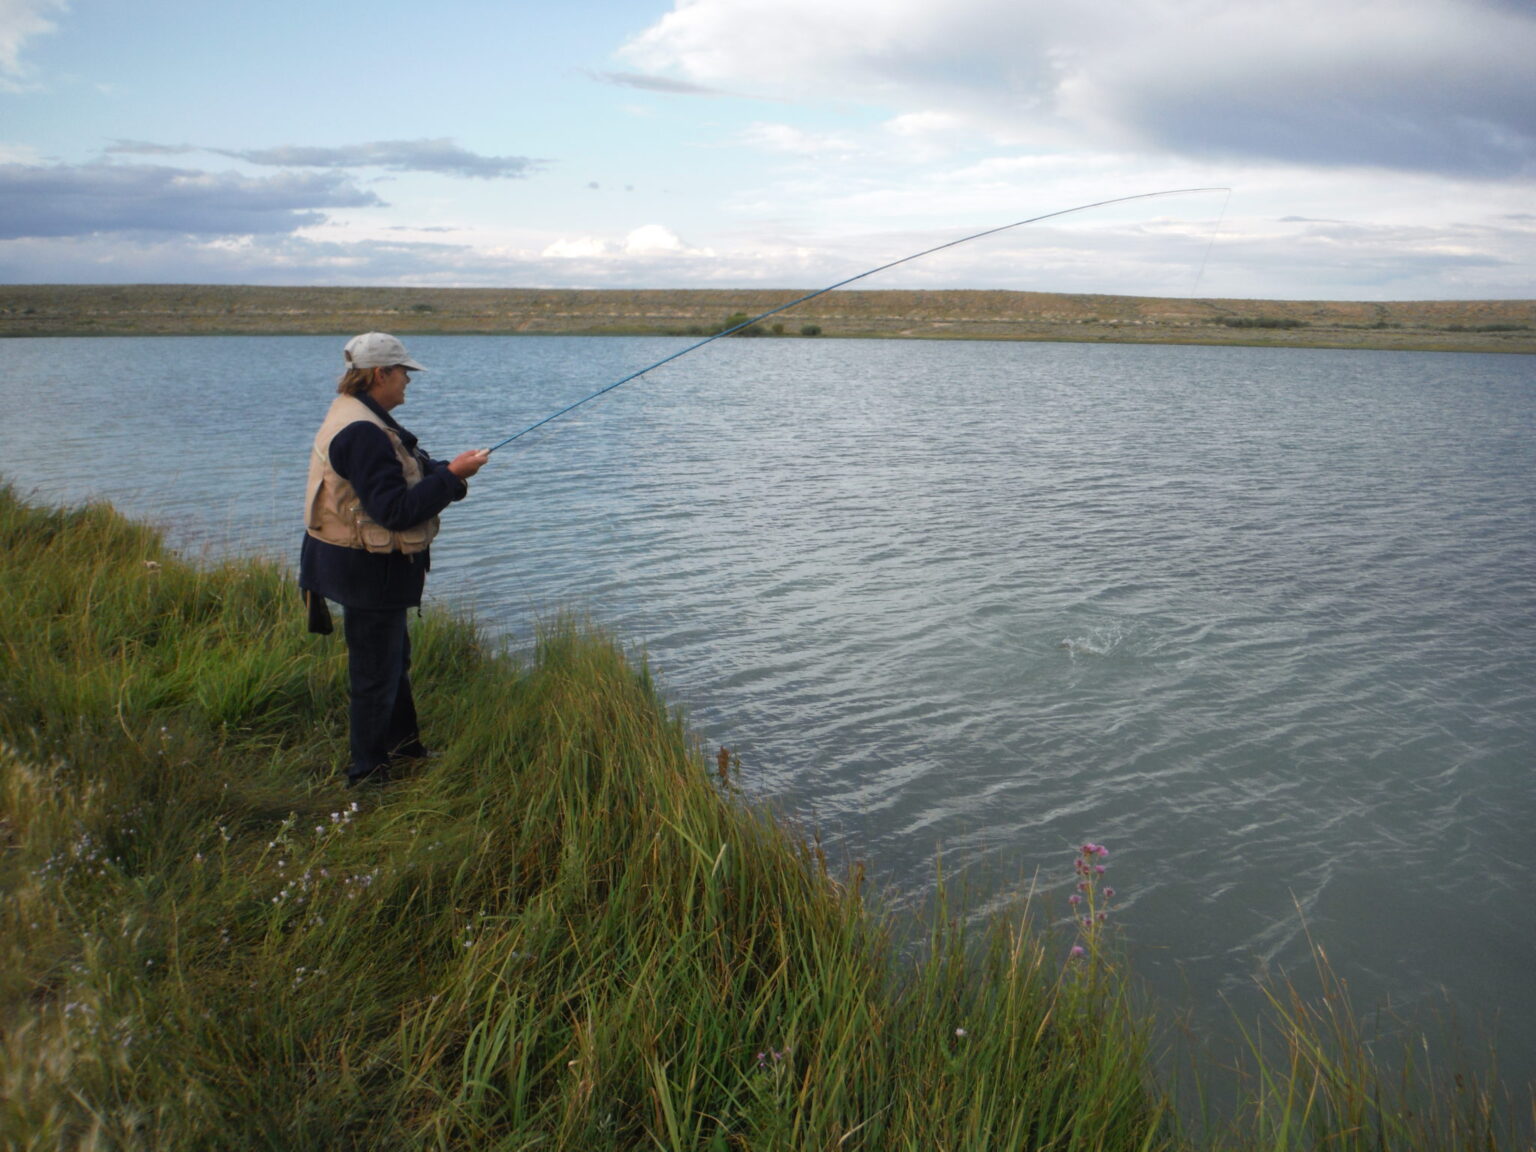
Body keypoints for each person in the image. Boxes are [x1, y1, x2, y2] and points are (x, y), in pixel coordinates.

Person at [299, 332, 489, 786]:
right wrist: (455, 478)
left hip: (358, 567)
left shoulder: (358, 415)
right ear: (380, 373)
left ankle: (406, 750)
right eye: (403, 372)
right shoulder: (363, 431)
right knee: (374, 674)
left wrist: (446, 472)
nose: (408, 380)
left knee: (391, 662)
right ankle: (367, 775)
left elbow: (399, 475)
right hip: (367, 572)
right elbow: (395, 513)